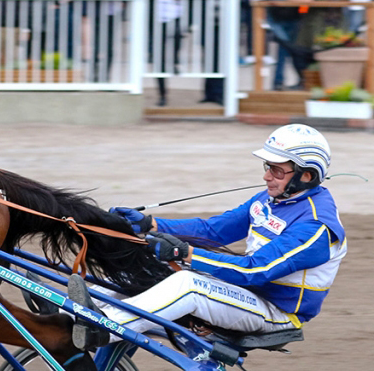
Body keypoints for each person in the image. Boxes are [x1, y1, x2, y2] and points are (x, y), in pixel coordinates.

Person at [81, 124, 345, 357]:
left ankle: (103, 328)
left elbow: (255, 270)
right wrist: (150, 224)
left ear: (306, 175)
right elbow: (213, 230)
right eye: (267, 167)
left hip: (276, 312)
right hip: (246, 294)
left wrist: (184, 253)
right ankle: (72, 315)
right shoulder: (270, 198)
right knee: (150, 264)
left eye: (276, 170)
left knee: (189, 284)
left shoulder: (316, 226)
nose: (266, 176)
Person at [143, 0, 199, 106]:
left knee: (176, 34)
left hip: (178, 16)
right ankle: (162, 93)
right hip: (159, 18)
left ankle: (174, 60)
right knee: (158, 57)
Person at [268, 0, 311, 91]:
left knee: (295, 50)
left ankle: (298, 81)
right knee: (284, 48)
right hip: (277, 18)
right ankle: (278, 81)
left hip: (294, 17)